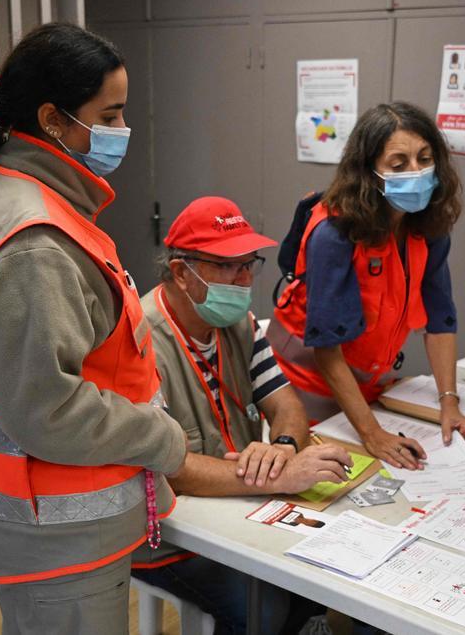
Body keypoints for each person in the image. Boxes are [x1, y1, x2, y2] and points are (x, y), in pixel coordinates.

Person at [0, 23, 187, 635]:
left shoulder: (12, 200)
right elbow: (45, 408)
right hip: (62, 531)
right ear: (53, 119)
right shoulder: (34, 243)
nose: (122, 131)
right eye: (111, 113)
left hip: (41, 521)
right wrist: (158, 434)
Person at [131, 196, 354, 634]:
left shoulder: (240, 324)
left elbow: (286, 403)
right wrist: (275, 478)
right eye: (229, 266)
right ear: (181, 272)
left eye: (250, 264)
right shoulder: (139, 341)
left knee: (320, 574)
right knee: (263, 610)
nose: (245, 278)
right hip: (168, 534)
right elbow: (168, 469)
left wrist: (284, 449)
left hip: (241, 506)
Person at [269, 102, 465, 471]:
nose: (416, 171)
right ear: (370, 172)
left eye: (425, 159)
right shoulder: (334, 235)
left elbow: (440, 320)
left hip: (368, 385)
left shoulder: (427, 228)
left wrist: (450, 403)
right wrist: (371, 433)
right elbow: (327, 351)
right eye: (398, 165)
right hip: (306, 387)